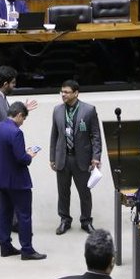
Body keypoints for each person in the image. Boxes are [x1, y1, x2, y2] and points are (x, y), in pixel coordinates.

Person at [0, 66, 37, 240]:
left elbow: (5, 118)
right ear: (5, 84)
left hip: (2, 149)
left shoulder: (0, 96)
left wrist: (22, 110)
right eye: (13, 83)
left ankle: (10, 222)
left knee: (9, 185)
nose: (15, 86)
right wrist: (8, 148)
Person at [0, 102, 46, 260]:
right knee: (24, 215)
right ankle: (27, 249)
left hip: (2, 178)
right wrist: (30, 155)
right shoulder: (16, 133)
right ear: (19, 115)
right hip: (17, 180)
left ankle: (5, 246)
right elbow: (22, 159)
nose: (23, 122)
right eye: (23, 118)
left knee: (4, 213)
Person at [50, 80, 101, 235]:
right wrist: (52, 157)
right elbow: (54, 135)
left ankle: (86, 221)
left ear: (76, 93)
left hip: (82, 159)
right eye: (62, 92)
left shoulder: (89, 110)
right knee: (63, 192)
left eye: (66, 92)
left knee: (85, 192)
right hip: (63, 158)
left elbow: (96, 136)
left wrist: (96, 157)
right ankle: (65, 220)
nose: (63, 95)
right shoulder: (57, 110)